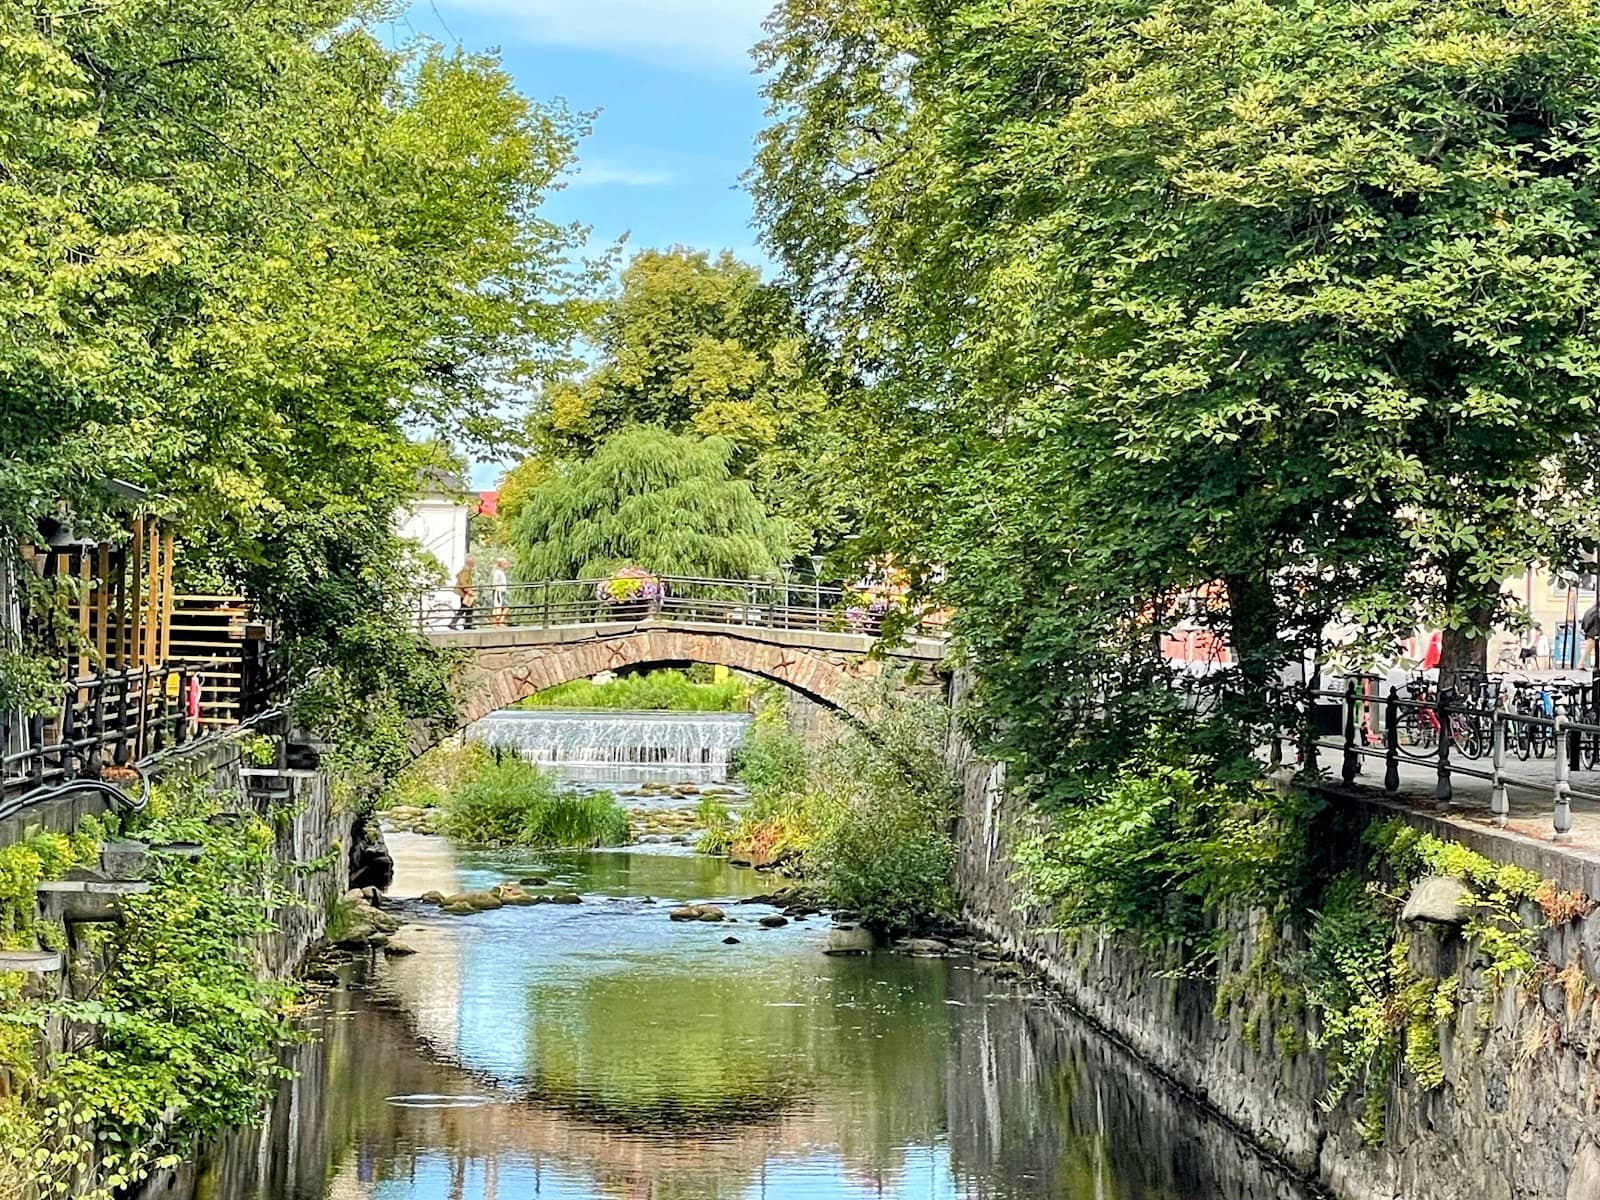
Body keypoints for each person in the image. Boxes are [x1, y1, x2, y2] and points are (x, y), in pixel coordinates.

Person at [449, 556, 476, 630]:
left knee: (468, 608)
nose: (474, 563)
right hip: (464, 593)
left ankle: (467, 625)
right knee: (465, 608)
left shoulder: (467, 569)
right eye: (473, 562)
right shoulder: (466, 570)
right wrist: (468, 590)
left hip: (464, 592)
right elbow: (462, 581)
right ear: (471, 563)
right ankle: (453, 623)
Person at [490, 557, 510, 627]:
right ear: (501, 565)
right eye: (505, 564)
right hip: (499, 592)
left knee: (502, 607)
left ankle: (499, 622)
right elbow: (495, 583)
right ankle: (498, 623)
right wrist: (498, 589)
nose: (507, 565)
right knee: (501, 607)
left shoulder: (501, 572)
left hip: (502, 591)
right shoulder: (498, 573)